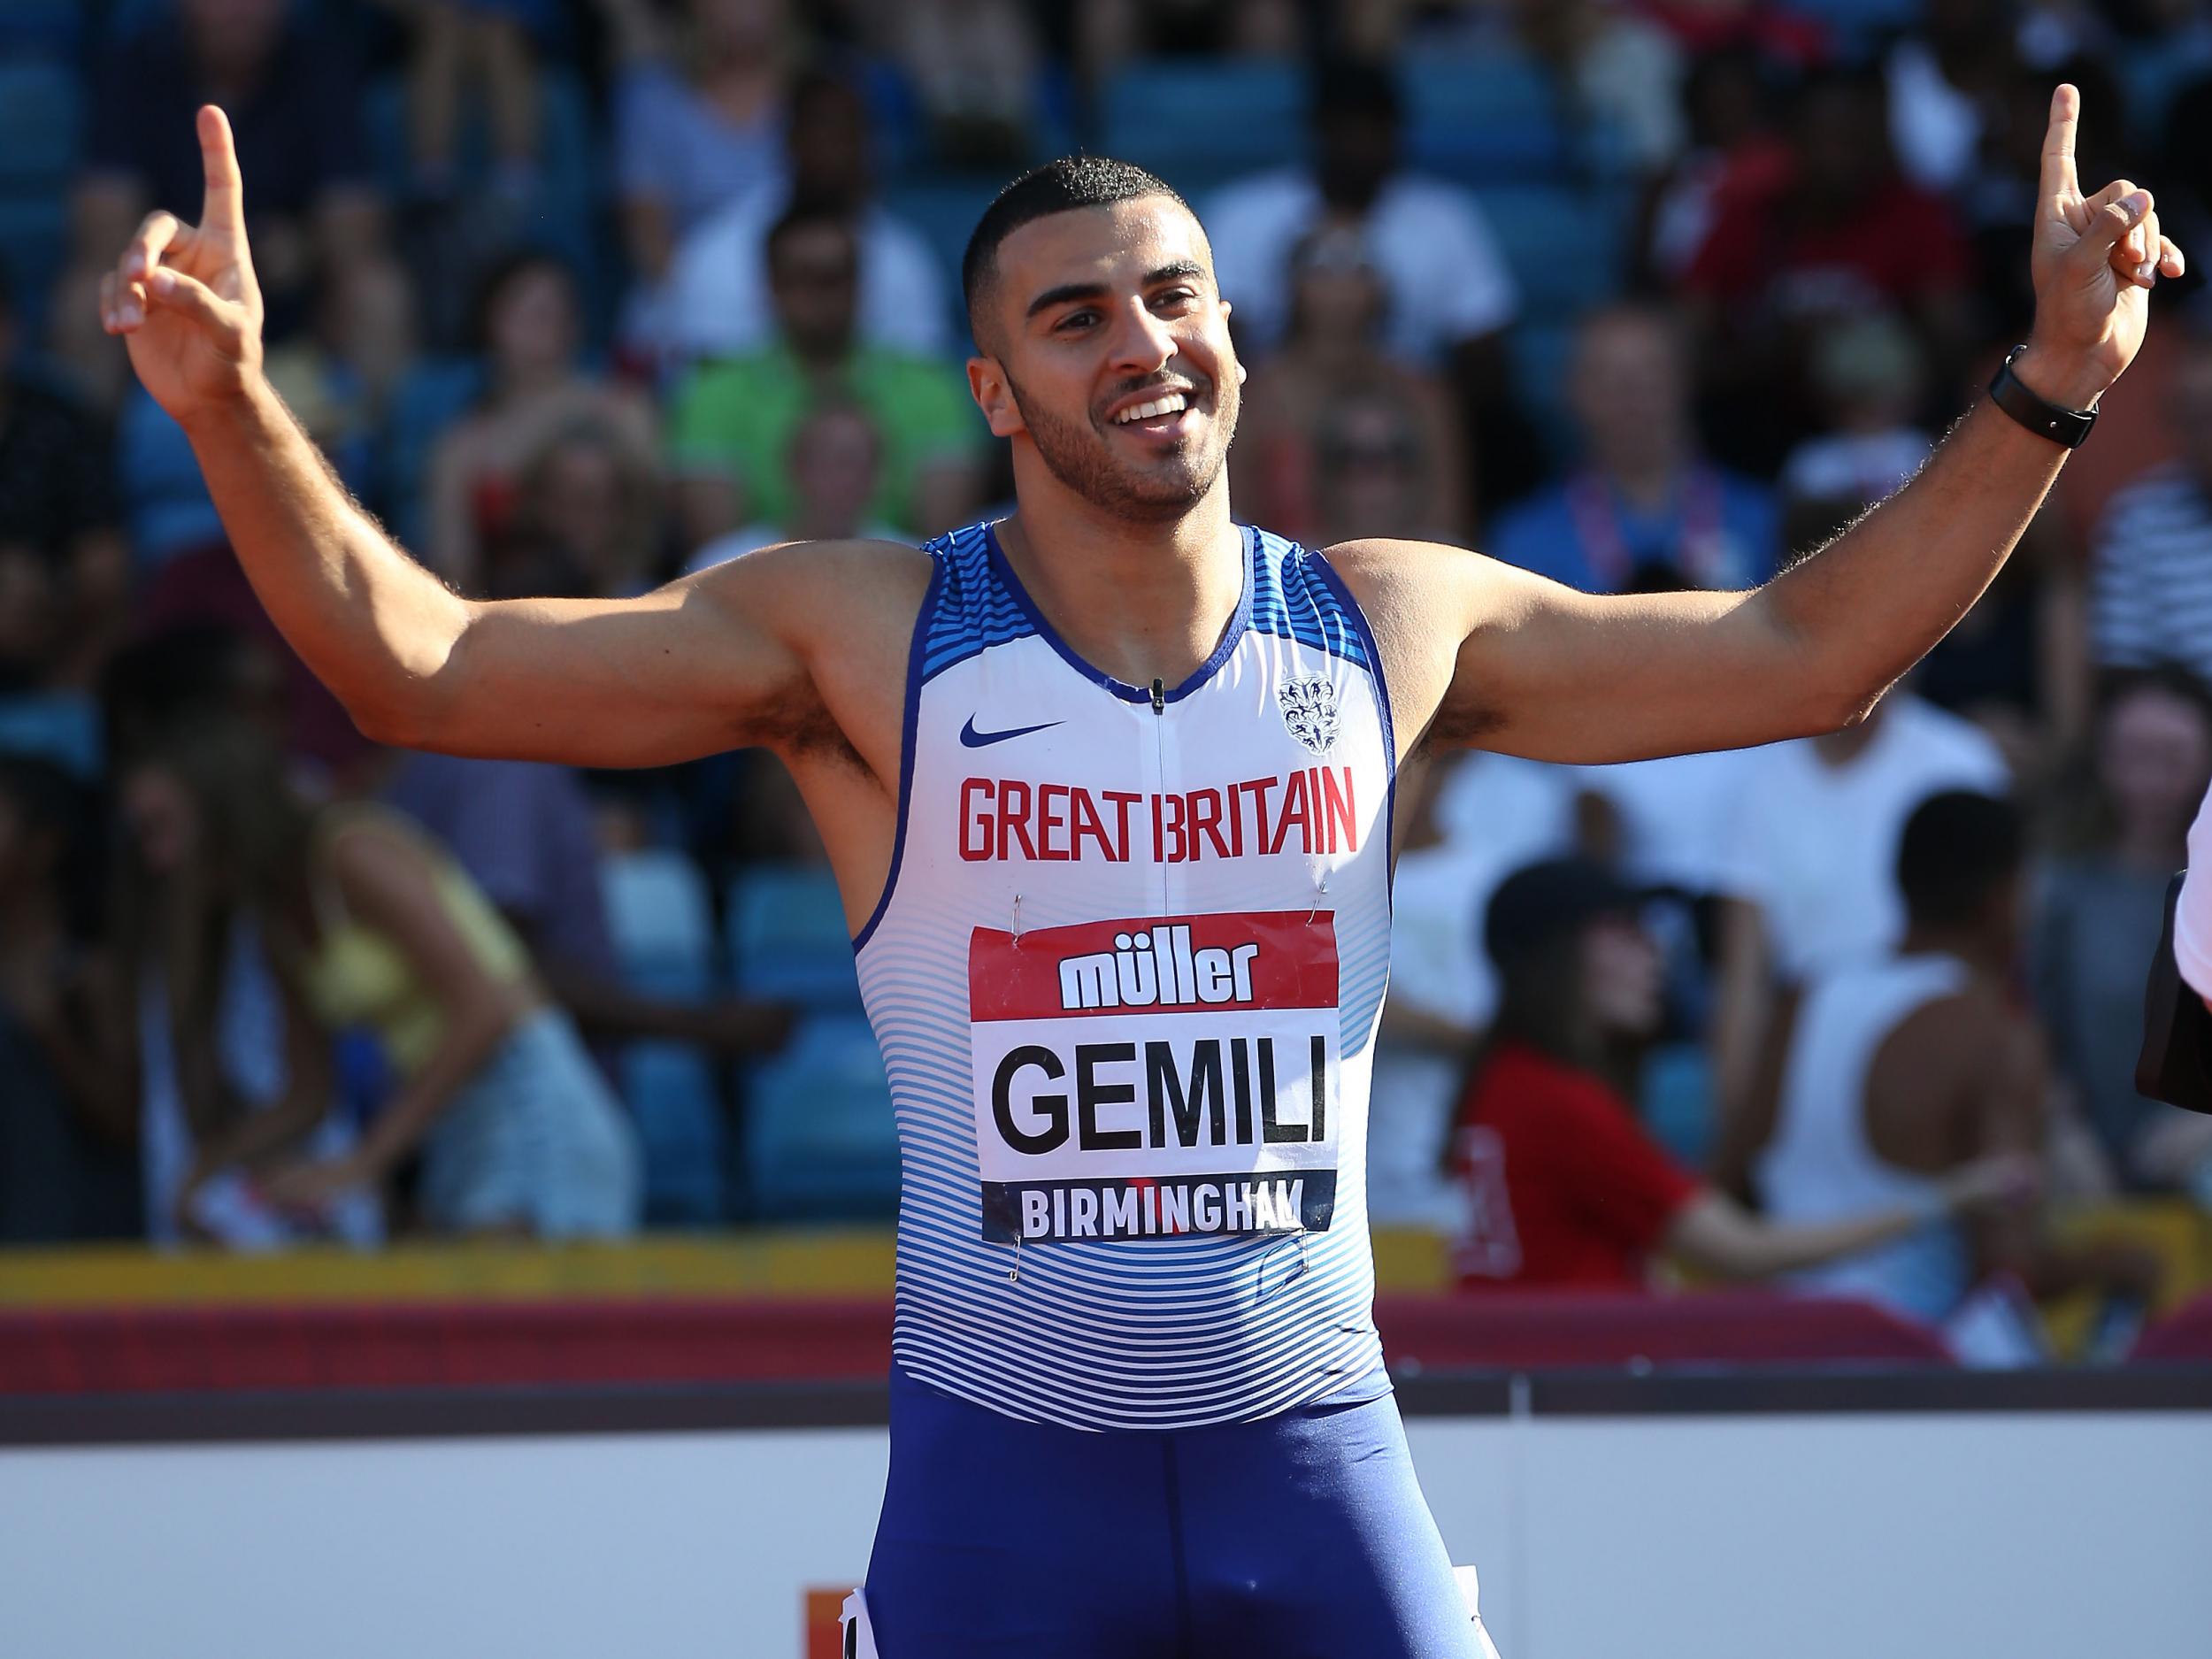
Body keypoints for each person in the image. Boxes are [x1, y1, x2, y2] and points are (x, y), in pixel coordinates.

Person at [98, 85, 2178, 1656]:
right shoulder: (863, 634)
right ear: (992, 387)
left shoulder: (1387, 620)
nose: (1142, 342)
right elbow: (421, 663)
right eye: (1076, 315)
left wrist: (2051, 385)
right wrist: (233, 409)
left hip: (1320, 1464)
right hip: (1006, 1491)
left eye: (1175, 295)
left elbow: (1808, 654)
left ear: (1238, 336)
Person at [118, 710, 642, 1240]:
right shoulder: (275, 914)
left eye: (161, 828)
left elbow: (488, 1008)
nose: (154, 858)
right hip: (454, 1123)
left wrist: (364, 1163)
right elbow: (309, 1095)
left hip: (530, 1107)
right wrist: (205, 1174)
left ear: (222, 809)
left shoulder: (351, 851)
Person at [1448, 857, 2027, 1290]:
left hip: (1529, 1385)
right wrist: (1947, 1196)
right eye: (1623, 931)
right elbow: (1745, 1249)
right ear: (1557, 957)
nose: (1652, 952)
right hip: (1565, 1393)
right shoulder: (1561, 1101)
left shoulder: (1504, 1080)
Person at [1742, 792, 2162, 1344]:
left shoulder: (1802, 999)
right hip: (1916, 1375)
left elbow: (1734, 1187)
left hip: (1781, 1349)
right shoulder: (1995, 1034)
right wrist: (2119, 1265)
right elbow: (2006, 1271)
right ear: (2003, 896)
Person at [667, 206, 983, 549]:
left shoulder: (930, 390)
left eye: (835, 276)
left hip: (899, 589)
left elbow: (942, 548)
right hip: (757, 589)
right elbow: (719, 554)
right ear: (772, 285)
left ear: (860, 282)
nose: (821, 293)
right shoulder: (714, 393)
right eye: (802, 276)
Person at [2035, 669, 2212, 1189]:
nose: (2150, 783)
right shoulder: (2062, 889)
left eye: (2172, 759)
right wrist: (2061, 1127)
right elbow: (2035, 1024)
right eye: (2132, 757)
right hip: (2085, 1166)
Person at [1488, 303, 1778, 595]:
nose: (1630, 396)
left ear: (1687, 382)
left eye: (1650, 373)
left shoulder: (1764, 520)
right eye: (1606, 378)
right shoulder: (1525, 541)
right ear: (1572, 391)